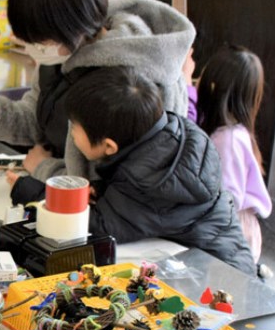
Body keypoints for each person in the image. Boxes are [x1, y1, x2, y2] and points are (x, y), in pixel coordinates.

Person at [0, 0, 194, 187]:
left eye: (39, 41)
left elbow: (108, 189)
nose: (34, 49)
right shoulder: (62, 53)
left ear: (71, 28)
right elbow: (40, 119)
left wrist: (42, 168)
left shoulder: (126, 83)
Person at [59, 66, 256, 274]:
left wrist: (28, 189)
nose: (71, 133)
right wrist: (100, 189)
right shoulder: (174, 132)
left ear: (109, 146)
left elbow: (99, 226)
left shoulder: (143, 178)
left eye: (74, 127)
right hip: (224, 260)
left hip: (215, 280)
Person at [197, 44, 272, 265]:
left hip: (232, 230)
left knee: (222, 292)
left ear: (212, 86)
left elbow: (229, 198)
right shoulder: (235, 131)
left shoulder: (227, 139)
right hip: (234, 226)